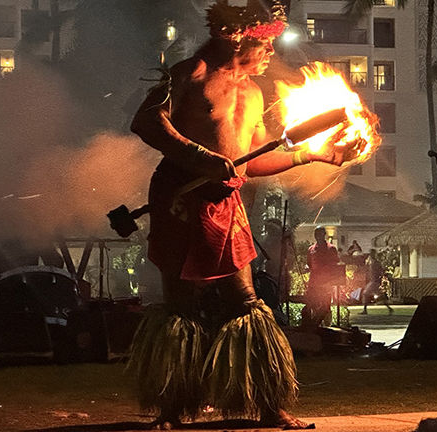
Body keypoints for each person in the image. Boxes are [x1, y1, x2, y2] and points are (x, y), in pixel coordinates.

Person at [127, 0, 349, 428]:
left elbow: (249, 163)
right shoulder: (190, 73)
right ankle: (172, 410)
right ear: (239, 38)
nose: (270, 54)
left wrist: (311, 155)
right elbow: (147, 121)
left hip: (226, 205)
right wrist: (199, 157)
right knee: (181, 306)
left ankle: (268, 406)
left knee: (246, 302)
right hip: (181, 199)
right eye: (265, 44)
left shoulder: (251, 90)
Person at [302, 226, 340, 329]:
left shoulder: (331, 248)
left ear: (324, 235)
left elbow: (335, 265)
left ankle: (327, 327)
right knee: (313, 304)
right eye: (316, 234)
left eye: (320, 234)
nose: (317, 236)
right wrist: (306, 268)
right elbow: (309, 264)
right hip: (313, 283)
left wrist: (331, 281)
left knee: (325, 307)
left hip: (326, 283)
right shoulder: (311, 249)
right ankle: (316, 327)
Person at [360, 249, 393, 315]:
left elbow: (381, 271)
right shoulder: (372, 262)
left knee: (365, 294)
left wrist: (383, 276)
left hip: (374, 282)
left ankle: (365, 310)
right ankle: (389, 308)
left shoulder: (376, 263)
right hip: (374, 281)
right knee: (380, 296)